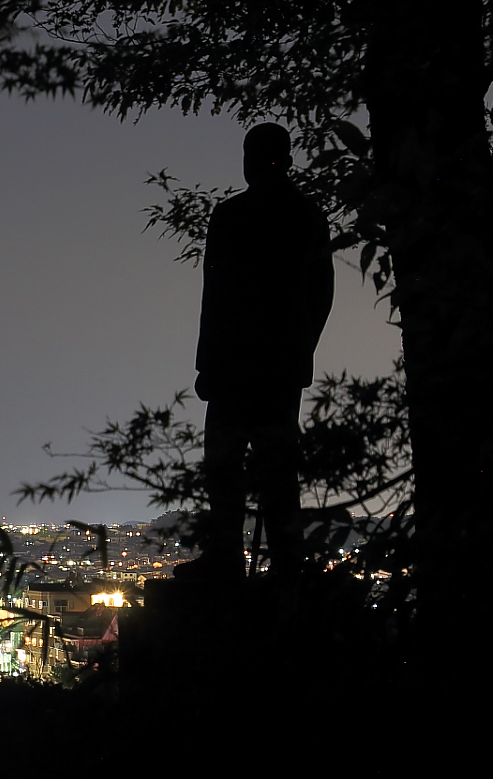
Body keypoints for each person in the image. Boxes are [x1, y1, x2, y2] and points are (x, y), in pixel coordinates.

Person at [176, 123, 333, 581]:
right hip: (277, 364)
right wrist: (301, 349)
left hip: (234, 364)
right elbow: (320, 294)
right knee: (276, 467)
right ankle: (285, 559)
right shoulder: (306, 214)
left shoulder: (232, 216)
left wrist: (207, 362)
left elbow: (217, 297)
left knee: (225, 464)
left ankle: (229, 556)